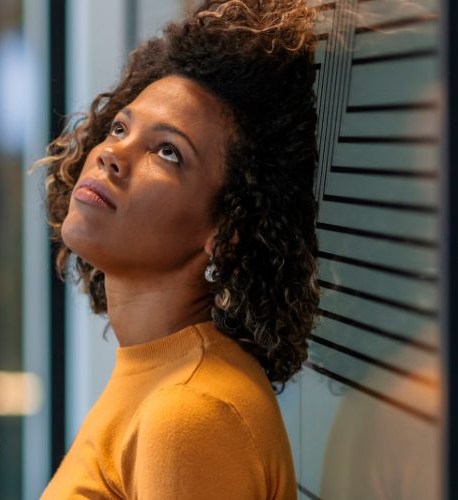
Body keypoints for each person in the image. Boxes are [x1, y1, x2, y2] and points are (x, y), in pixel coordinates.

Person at [40, 1, 319, 498]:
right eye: (121, 128)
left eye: (168, 152)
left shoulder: (189, 412)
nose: (111, 154)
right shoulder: (162, 376)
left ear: (227, 229)